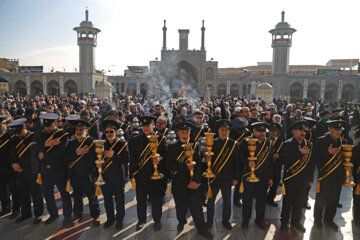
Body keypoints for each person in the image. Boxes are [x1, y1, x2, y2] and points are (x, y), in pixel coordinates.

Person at [167, 121, 213, 239]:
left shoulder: (195, 146)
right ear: (178, 133)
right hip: (179, 183)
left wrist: (196, 181)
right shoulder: (172, 147)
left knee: (196, 208)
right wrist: (185, 167)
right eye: (182, 132)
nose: (185, 134)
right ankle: (181, 222)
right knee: (180, 207)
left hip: (193, 184)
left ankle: (201, 228)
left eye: (187, 131)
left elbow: (198, 166)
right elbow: (170, 165)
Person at [129, 116, 168, 231]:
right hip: (141, 175)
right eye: (144, 126)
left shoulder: (160, 138)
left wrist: (159, 159)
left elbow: (166, 155)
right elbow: (133, 159)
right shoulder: (135, 139)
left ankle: (157, 221)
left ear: (153, 125)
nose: (145, 128)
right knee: (141, 200)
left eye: (148, 125)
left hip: (156, 175)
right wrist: (131, 174)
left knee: (156, 199)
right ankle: (141, 220)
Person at [313, 120, 349, 231]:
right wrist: (328, 153)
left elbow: (346, 158)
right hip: (325, 176)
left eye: (340, 130)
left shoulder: (343, 142)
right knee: (321, 199)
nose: (339, 132)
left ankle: (329, 219)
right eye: (336, 129)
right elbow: (315, 158)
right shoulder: (321, 140)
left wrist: (348, 165)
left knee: (334, 199)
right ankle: (317, 220)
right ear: (330, 129)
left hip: (338, 176)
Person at [38, 113, 72, 227]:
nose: (47, 129)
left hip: (59, 169)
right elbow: (36, 148)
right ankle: (53, 214)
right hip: (45, 170)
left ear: (56, 124)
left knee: (64, 193)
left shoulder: (63, 134)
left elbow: (61, 152)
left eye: (50, 126)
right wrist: (46, 144)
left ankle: (67, 217)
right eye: (46, 127)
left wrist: (45, 153)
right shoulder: (43, 134)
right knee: (47, 193)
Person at [279, 121, 314, 232]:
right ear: (294, 131)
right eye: (300, 130)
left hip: (303, 179)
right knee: (287, 202)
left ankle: (296, 222)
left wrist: (311, 178)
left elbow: (311, 163)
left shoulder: (308, 144)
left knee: (299, 202)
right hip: (290, 178)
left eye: (304, 131)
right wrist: (299, 154)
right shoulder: (287, 144)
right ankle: (284, 223)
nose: (302, 133)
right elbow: (283, 161)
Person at [205, 119, 240, 230]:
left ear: (229, 131)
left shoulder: (233, 144)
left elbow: (237, 163)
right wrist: (207, 160)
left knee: (227, 200)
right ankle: (209, 220)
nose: (224, 132)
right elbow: (206, 163)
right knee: (211, 201)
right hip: (214, 177)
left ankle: (226, 220)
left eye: (226, 130)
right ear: (218, 131)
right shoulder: (212, 143)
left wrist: (236, 178)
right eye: (222, 130)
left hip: (228, 178)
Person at [8, 118, 44, 224]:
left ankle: (38, 214)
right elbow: (11, 153)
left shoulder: (33, 137)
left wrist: (23, 166)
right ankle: (26, 213)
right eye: (16, 133)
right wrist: (14, 163)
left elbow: (35, 155)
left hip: (32, 170)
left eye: (19, 132)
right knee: (22, 193)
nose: (18, 135)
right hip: (19, 171)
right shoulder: (14, 139)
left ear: (25, 128)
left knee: (36, 193)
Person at [65, 120, 100, 226]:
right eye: (77, 130)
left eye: (81, 130)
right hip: (75, 175)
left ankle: (96, 216)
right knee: (77, 197)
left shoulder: (92, 142)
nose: (79, 131)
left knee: (92, 197)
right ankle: (78, 215)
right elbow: (66, 158)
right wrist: (76, 153)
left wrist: (97, 175)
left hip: (89, 175)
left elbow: (97, 160)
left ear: (86, 131)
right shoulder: (71, 143)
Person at [239, 121, 273, 230]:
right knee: (247, 201)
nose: (261, 133)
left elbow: (270, 161)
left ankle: (260, 219)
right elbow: (239, 157)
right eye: (259, 131)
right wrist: (247, 162)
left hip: (263, 177)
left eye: (263, 131)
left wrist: (270, 177)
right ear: (254, 131)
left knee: (262, 200)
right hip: (249, 176)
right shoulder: (245, 141)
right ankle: (245, 220)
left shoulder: (268, 142)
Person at [98, 120, 129, 229]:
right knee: (107, 200)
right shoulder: (101, 144)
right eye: (107, 132)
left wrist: (114, 155)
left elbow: (126, 159)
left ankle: (119, 220)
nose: (109, 134)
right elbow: (96, 158)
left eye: (111, 132)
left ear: (115, 132)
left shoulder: (121, 143)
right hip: (105, 176)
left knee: (119, 201)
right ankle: (110, 219)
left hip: (117, 176)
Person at [0, 115, 20, 219]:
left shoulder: (10, 135)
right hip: (0, 167)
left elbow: (12, 152)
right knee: (2, 188)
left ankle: (16, 209)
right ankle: (5, 207)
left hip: (9, 166)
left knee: (13, 187)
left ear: (4, 124)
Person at [230, 117, 251, 207]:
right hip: (233, 159)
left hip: (244, 158)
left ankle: (240, 197)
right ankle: (236, 199)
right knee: (237, 181)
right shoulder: (231, 132)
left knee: (244, 180)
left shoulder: (248, 132)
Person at [266, 122, 285, 207]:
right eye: (271, 131)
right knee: (265, 183)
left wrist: (279, 156)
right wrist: (270, 157)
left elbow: (285, 154)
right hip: (266, 166)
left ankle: (270, 199)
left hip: (277, 166)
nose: (273, 133)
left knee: (275, 184)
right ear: (269, 132)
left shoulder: (281, 141)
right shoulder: (265, 140)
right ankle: (262, 198)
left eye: (275, 131)